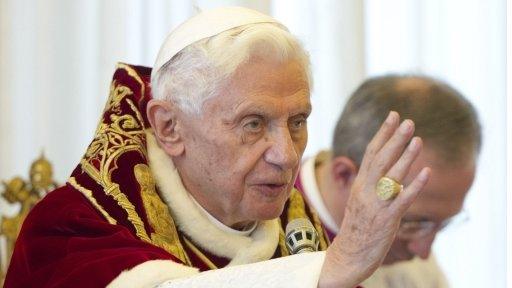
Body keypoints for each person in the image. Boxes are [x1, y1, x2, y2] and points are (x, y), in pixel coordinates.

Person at [5, 7, 431, 288]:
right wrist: (330, 269)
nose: (286, 154)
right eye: (253, 124)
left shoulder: (298, 229)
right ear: (170, 127)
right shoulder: (71, 226)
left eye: (297, 121)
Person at [297, 75, 481, 287]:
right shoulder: (267, 239)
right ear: (344, 175)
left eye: (442, 225)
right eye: (413, 223)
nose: (423, 252)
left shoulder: (411, 246)